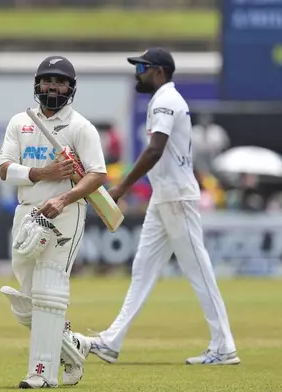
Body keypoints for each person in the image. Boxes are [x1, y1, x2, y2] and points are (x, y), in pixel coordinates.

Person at [79, 48, 240, 366]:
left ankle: (224, 346)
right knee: (143, 269)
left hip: (177, 197)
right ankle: (111, 341)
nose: (137, 72)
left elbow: (154, 150)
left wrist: (122, 186)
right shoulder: (163, 99)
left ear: (159, 72)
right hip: (165, 196)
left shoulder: (166, 100)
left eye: (142, 67)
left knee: (199, 271)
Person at [0, 55, 108, 388]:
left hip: (65, 213)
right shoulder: (21, 121)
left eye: (60, 82)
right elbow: (5, 169)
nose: (53, 87)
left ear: (70, 88)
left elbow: (98, 175)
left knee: (48, 295)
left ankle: (41, 375)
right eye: (48, 80)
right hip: (26, 213)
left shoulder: (80, 127)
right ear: (37, 84)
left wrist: (62, 198)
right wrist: (41, 174)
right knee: (28, 302)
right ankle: (74, 347)